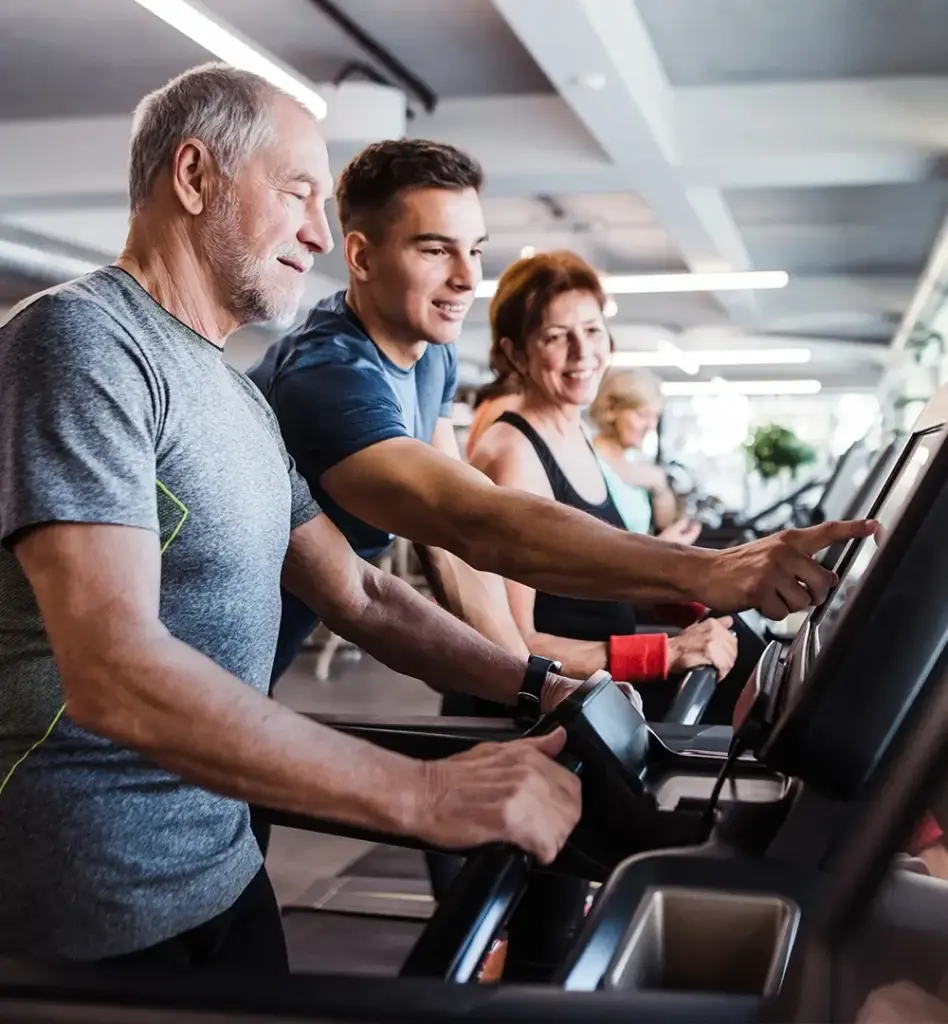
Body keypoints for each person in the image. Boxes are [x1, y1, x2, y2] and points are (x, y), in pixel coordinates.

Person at [0, 63, 590, 972]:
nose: (321, 234)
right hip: (85, 905)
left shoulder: (235, 394)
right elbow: (112, 671)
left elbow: (358, 593)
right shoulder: (82, 343)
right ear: (194, 178)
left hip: (224, 865)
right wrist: (424, 797)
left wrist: (539, 685)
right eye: (298, 193)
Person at [248, 137, 871, 696]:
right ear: (359, 256)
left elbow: (451, 553)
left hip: (249, 665)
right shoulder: (329, 378)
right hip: (196, 655)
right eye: (437, 249)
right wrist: (709, 572)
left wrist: (535, 689)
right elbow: (475, 524)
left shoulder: (430, 353)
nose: (468, 278)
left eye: (475, 250)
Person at [469, 251, 738, 722]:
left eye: (592, 330)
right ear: (515, 354)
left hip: (598, 699)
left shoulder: (576, 434)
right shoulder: (515, 454)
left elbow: (583, 578)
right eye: (556, 337)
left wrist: (696, 582)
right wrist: (664, 653)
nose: (582, 353)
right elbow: (515, 646)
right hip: (538, 720)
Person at [589, 367, 700, 544]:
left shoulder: (635, 463)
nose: (650, 425)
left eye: (654, 417)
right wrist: (660, 546)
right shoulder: (587, 461)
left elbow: (662, 524)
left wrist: (660, 488)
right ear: (610, 410)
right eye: (642, 415)